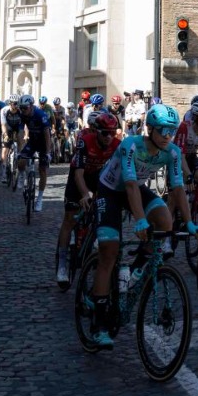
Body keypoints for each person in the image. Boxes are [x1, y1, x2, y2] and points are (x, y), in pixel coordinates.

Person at [86, 103, 197, 350]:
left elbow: (178, 189)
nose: (168, 136)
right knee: (109, 251)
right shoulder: (130, 146)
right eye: (163, 130)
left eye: (172, 130)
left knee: (165, 221)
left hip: (135, 188)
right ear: (149, 129)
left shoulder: (173, 152)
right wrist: (140, 220)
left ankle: (136, 269)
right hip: (111, 191)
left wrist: (189, 222)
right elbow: (130, 186)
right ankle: (99, 324)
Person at [56, 108, 121, 286]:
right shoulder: (85, 141)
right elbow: (78, 174)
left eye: (112, 133)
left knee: (102, 208)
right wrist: (85, 194)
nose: (109, 137)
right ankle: (62, 264)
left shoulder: (116, 144)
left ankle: (93, 238)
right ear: (96, 131)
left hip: (97, 176)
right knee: (69, 219)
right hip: (78, 176)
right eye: (105, 133)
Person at [12, 95, 54, 212]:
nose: (23, 110)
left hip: (43, 143)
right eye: (21, 108)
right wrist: (20, 150)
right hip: (32, 141)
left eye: (25, 108)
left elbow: (47, 134)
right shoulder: (22, 114)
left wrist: (48, 152)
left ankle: (39, 199)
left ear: (31, 106)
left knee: (43, 171)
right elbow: (20, 133)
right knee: (21, 162)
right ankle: (22, 175)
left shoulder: (40, 114)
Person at [0, 95, 25, 177]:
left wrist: (26, 135)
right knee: (5, 149)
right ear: (10, 103)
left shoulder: (21, 111)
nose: (16, 105)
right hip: (8, 127)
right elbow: (3, 125)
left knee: (21, 141)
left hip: (18, 127)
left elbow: (25, 125)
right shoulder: (4, 110)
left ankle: (19, 159)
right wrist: (5, 135)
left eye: (17, 103)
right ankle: (4, 171)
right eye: (14, 103)